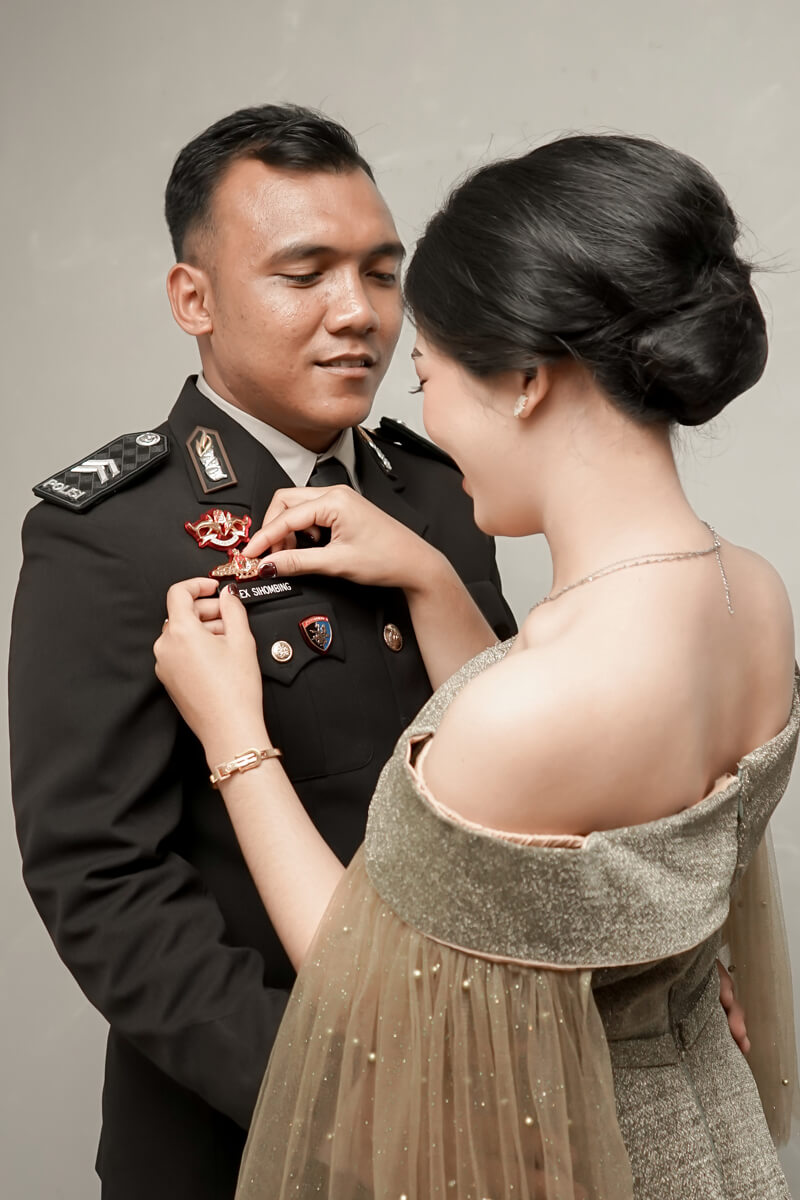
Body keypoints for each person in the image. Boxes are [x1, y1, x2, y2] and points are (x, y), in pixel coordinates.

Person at [154, 132, 799, 1199]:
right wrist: (430, 578)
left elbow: (362, 989)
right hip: (704, 1141)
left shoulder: (524, 713)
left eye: (427, 376)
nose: (426, 417)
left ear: (526, 381)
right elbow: (579, 853)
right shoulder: (754, 595)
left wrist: (234, 737)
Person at [8, 105, 515, 1200]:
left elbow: (521, 775)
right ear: (193, 299)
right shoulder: (112, 534)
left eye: (381, 273)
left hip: (488, 1090)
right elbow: (100, 878)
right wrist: (336, 1091)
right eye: (304, 274)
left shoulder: (443, 493)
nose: (359, 312)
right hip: (252, 1133)